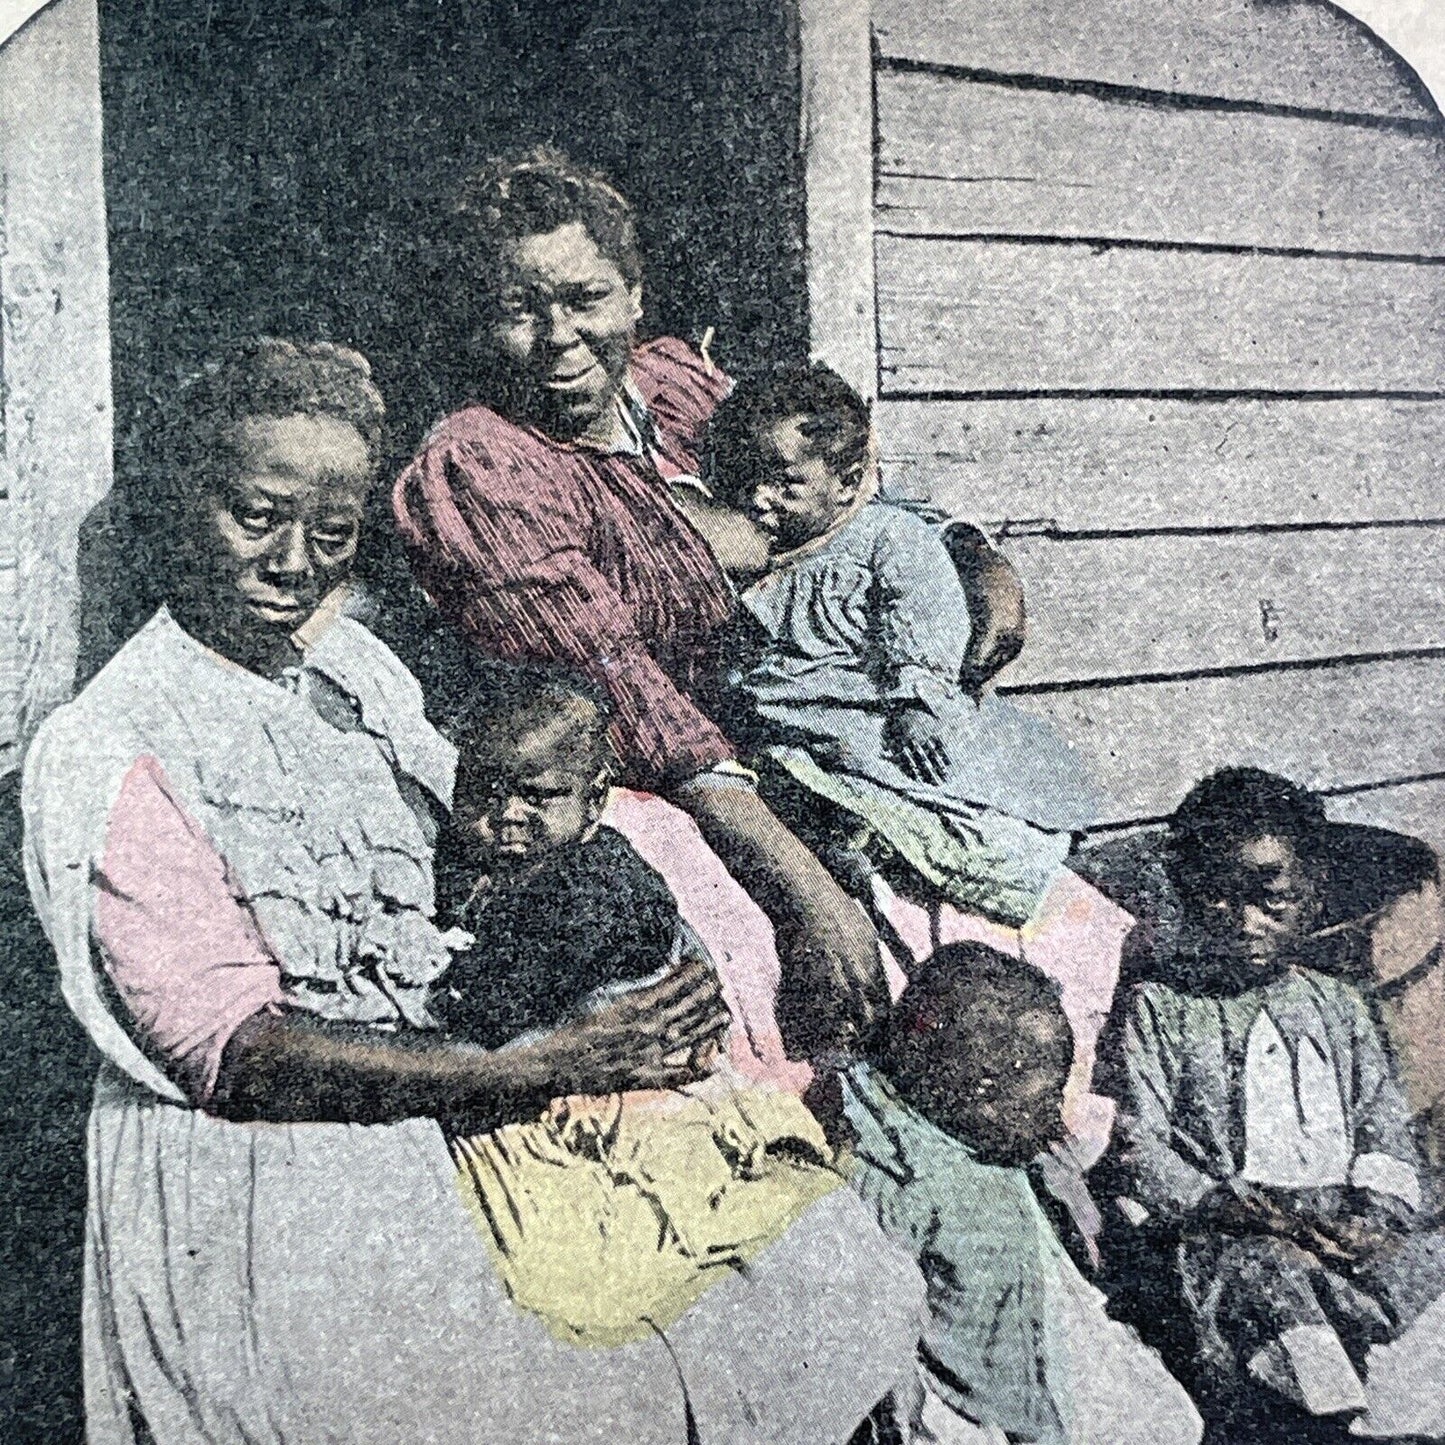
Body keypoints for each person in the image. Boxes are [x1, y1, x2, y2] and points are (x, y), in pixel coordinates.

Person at [21, 338, 924, 1444]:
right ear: (176, 503)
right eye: (255, 515)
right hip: (286, 1155)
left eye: (332, 530)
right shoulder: (112, 742)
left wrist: (637, 965)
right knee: (564, 1395)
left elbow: (505, 840)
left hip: (457, 1079)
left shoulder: (352, 671)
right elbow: (237, 1052)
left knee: (813, 1269)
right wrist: (545, 1061)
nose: (292, 561)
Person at [392, 149, 886, 1059]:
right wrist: (802, 884)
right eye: (517, 309)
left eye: (585, 298)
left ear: (634, 295)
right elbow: (617, 683)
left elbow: (833, 475)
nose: (558, 337)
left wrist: (962, 547)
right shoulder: (483, 462)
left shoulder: (674, 385)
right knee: (767, 976)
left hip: (790, 731)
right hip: (642, 782)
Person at [432, 667, 848, 1346]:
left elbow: (498, 1005)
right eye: (485, 791)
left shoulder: (587, 885)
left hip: (626, 1083)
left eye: (538, 796)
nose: (506, 814)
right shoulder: (520, 860)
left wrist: (448, 991)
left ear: (595, 800)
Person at [1094, 768, 1445, 1440]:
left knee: (1423, 1260)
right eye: (1216, 901)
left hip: (1336, 1223)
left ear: (1311, 893)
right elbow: (1137, 1137)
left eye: (1271, 900)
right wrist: (1218, 1203)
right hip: (1234, 1224)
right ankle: (1326, 1417)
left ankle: (1391, 1398)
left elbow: (1381, 1127)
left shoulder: (1338, 1005)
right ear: (1185, 893)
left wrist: (1373, 1213)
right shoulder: (1161, 1007)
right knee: (1260, 1281)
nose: (1246, 922)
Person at [705, 361, 1097, 929]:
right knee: (793, 778)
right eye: (751, 484)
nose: (762, 500)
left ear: (845, 482)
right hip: (796, 717)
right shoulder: (767, 557)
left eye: (786, 485)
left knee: (921, 795)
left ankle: (909, 852)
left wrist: (914, 700)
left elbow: (924, 612)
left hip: (873, 713)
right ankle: (848, 845)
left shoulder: (886, 538)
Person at [838, 943, 1202, 1445]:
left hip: (1046, 1354)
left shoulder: (989, 1140)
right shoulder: (897, 1176)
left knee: (1170, 1417)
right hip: (974, 1404)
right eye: (1044, 1102)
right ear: (980, 1092)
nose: (1057, 1122)